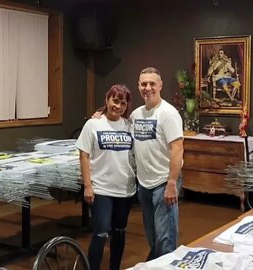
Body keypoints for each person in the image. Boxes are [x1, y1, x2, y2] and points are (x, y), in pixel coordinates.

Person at [76, 84, 136, 270]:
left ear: (127, 106)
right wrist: (87, 185)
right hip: (101, 188)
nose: (118, 106)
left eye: (123, 103)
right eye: (115, 101)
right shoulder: (93, 124)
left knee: (119, 232)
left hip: (125, 189)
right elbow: (84, 155)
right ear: (107, 100)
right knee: (101, 233)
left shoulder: (129, 126)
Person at [132, 67, 184, 260]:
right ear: (138, 86)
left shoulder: (168, 114)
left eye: (152, 83)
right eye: (143, 84)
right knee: (153, 237)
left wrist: (172, 184)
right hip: (144, 184)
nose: (148, 88)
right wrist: (99, 115)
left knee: (166, 239)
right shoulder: (136, 115)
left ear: (160, 86)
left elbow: (177, 149)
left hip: (164, 183)